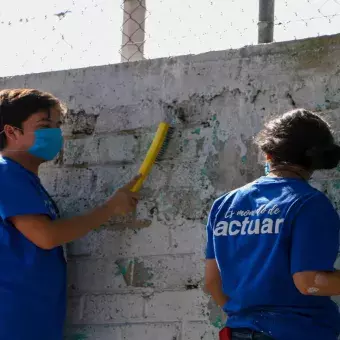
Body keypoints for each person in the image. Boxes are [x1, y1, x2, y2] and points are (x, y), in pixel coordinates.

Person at [0, 88, 140, 340]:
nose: (55, 133)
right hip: (12, 319)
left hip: (31, 318)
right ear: (12, 132)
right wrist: (110, 208)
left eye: (56, 125)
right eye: (44, 125)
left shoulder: (24, 179)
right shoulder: (6, 174)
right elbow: (46, 236)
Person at [205, 108, 340, 340]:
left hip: (238, 332)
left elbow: (212, 282)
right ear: (315, 159)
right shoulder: (309, 203)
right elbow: (308, 283)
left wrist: (245, 319)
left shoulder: (224, 205)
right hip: (296, 332)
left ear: (269, 154)